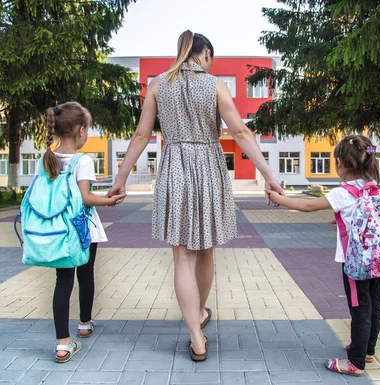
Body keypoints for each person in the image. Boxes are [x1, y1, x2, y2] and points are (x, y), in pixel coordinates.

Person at [107, 30, 284, 361]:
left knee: (182, 257)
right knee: (205, 250)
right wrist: (268, 175)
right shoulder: (216, 85)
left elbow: (142, 134)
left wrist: (121, 178)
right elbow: (241, 133)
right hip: (209, 166)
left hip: (174, 166)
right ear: (206, 55)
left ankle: (195, 334)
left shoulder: (158, 85)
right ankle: (199, 313)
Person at [267, 135, 380, 377]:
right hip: (377, 258)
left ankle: (355, 362)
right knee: (374, 305)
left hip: (355, 262)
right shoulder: (371, 187)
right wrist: (343, 224)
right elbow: (365, 219)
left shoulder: (344, 192)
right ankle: (367, 350)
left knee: (359, 307)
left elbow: (308, 206)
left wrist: (278, 198)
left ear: (340, 162)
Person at [41, 102, 125, 363]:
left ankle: (63, 344)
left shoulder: (46, 158)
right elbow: (85, 198)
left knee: (62, 281)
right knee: (86, 275)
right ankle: (85, 324)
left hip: (56, 229)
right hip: (82, 229)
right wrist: (110, 201)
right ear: (81, 130)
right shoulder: (83, 160)